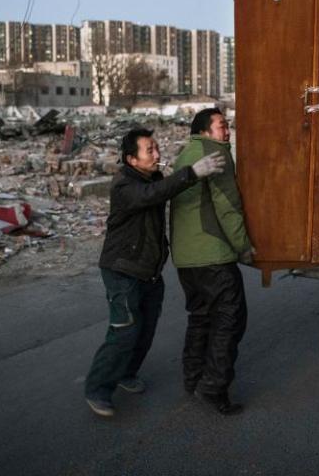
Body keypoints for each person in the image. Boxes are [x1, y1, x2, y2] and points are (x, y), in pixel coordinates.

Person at [84, 127, 225, 418]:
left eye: (157, 147)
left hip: (148, 271)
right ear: (131, 159)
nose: (157, 154)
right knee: (124, 332)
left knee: (145, 331)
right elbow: (150, 195)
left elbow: (162, 189)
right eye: (150, 150)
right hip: (122, 270)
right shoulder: (124, 185)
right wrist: (190, 173)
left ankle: (126, 372)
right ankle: (97, 388)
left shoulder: (153, 177)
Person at [170, 108, 254, 415]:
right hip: (212, 255)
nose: (228, 132)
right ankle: (213, 386)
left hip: (186, 259)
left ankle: (193, 379)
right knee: (230, 320)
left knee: (201, 317)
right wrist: (244, 247)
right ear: (206, 131)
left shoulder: (186, 153)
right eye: (222, 126)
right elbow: (228, 206)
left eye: (227, 126)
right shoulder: (216, 154)